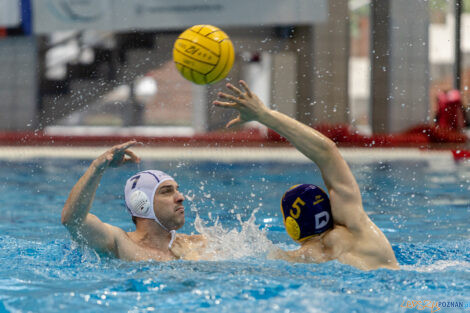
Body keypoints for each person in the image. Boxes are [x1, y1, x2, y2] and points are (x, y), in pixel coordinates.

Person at [213, 81, 399, 270]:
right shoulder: (358, 230)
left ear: (292, 227)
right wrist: (264, 115)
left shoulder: (291, 259)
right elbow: (328, 152)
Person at [61, 141, 208, 261]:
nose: (181, 197)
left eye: (177, 190)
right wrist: (97, 167)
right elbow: (73, 220)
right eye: (167, 191)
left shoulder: (195, 244)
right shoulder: (120, 243)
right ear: (142, 203)